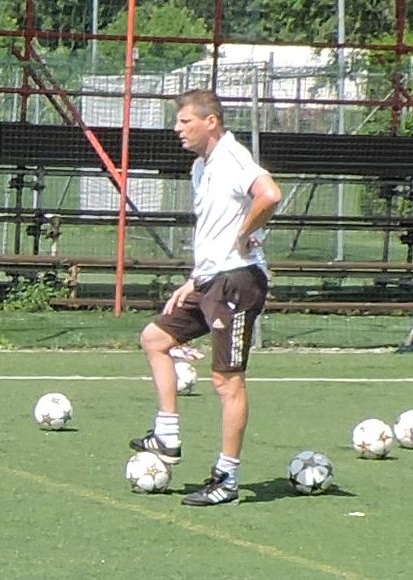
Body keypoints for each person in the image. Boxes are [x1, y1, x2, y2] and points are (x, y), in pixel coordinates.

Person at [130, 89, 282, 507]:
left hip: (238, 282)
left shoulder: (232, 158)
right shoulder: (202, 167)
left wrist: (246, 233)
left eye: (185, 121)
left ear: (210, 122)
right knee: (155, 339)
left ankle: (227, 479)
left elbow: (270, 194)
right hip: (211, 279)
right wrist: (194, 279)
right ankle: (167, 435)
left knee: (226, 381)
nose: (177, 129)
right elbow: (215, 229)